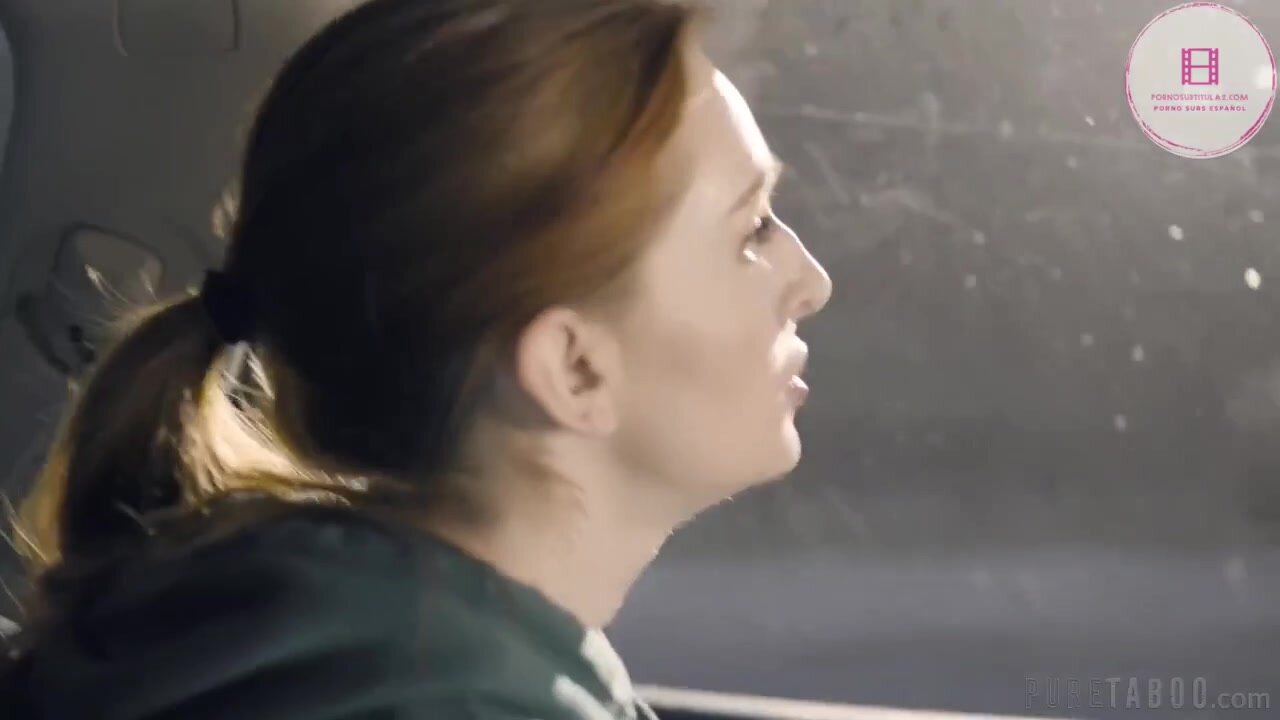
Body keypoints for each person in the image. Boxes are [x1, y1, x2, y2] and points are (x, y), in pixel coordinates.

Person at [1, 0, 832, 717]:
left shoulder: (311, 639)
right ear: (574, 369)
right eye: (752, 230)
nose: (812, 282)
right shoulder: (454, 694)